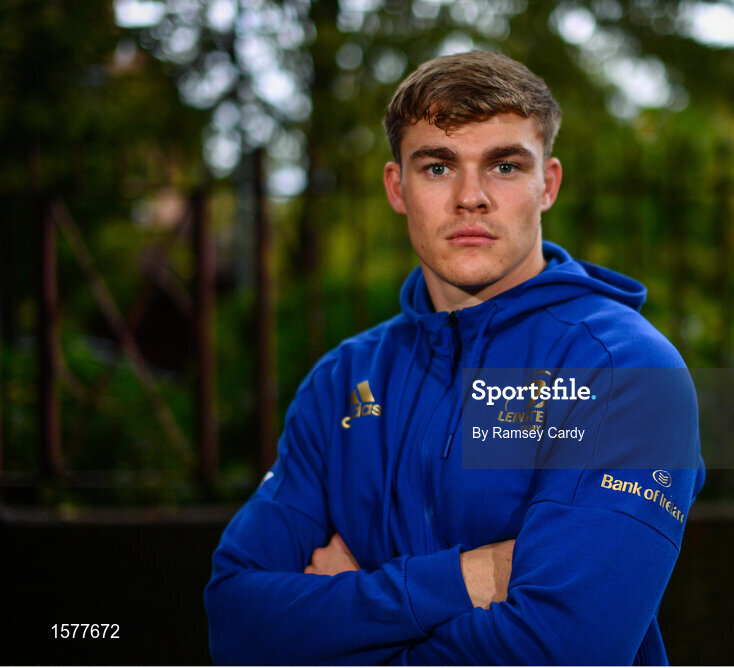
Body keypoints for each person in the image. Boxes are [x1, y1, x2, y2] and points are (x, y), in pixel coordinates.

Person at [204, 50, 704, 665]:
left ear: (546, 185)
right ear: (398, 187)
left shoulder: (620, 370)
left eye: (503, 165)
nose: (471, 197)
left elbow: (563, 650)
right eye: (438, 167)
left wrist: (339, 621)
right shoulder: (342, 381)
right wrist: (470, 578)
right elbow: (234, 621)